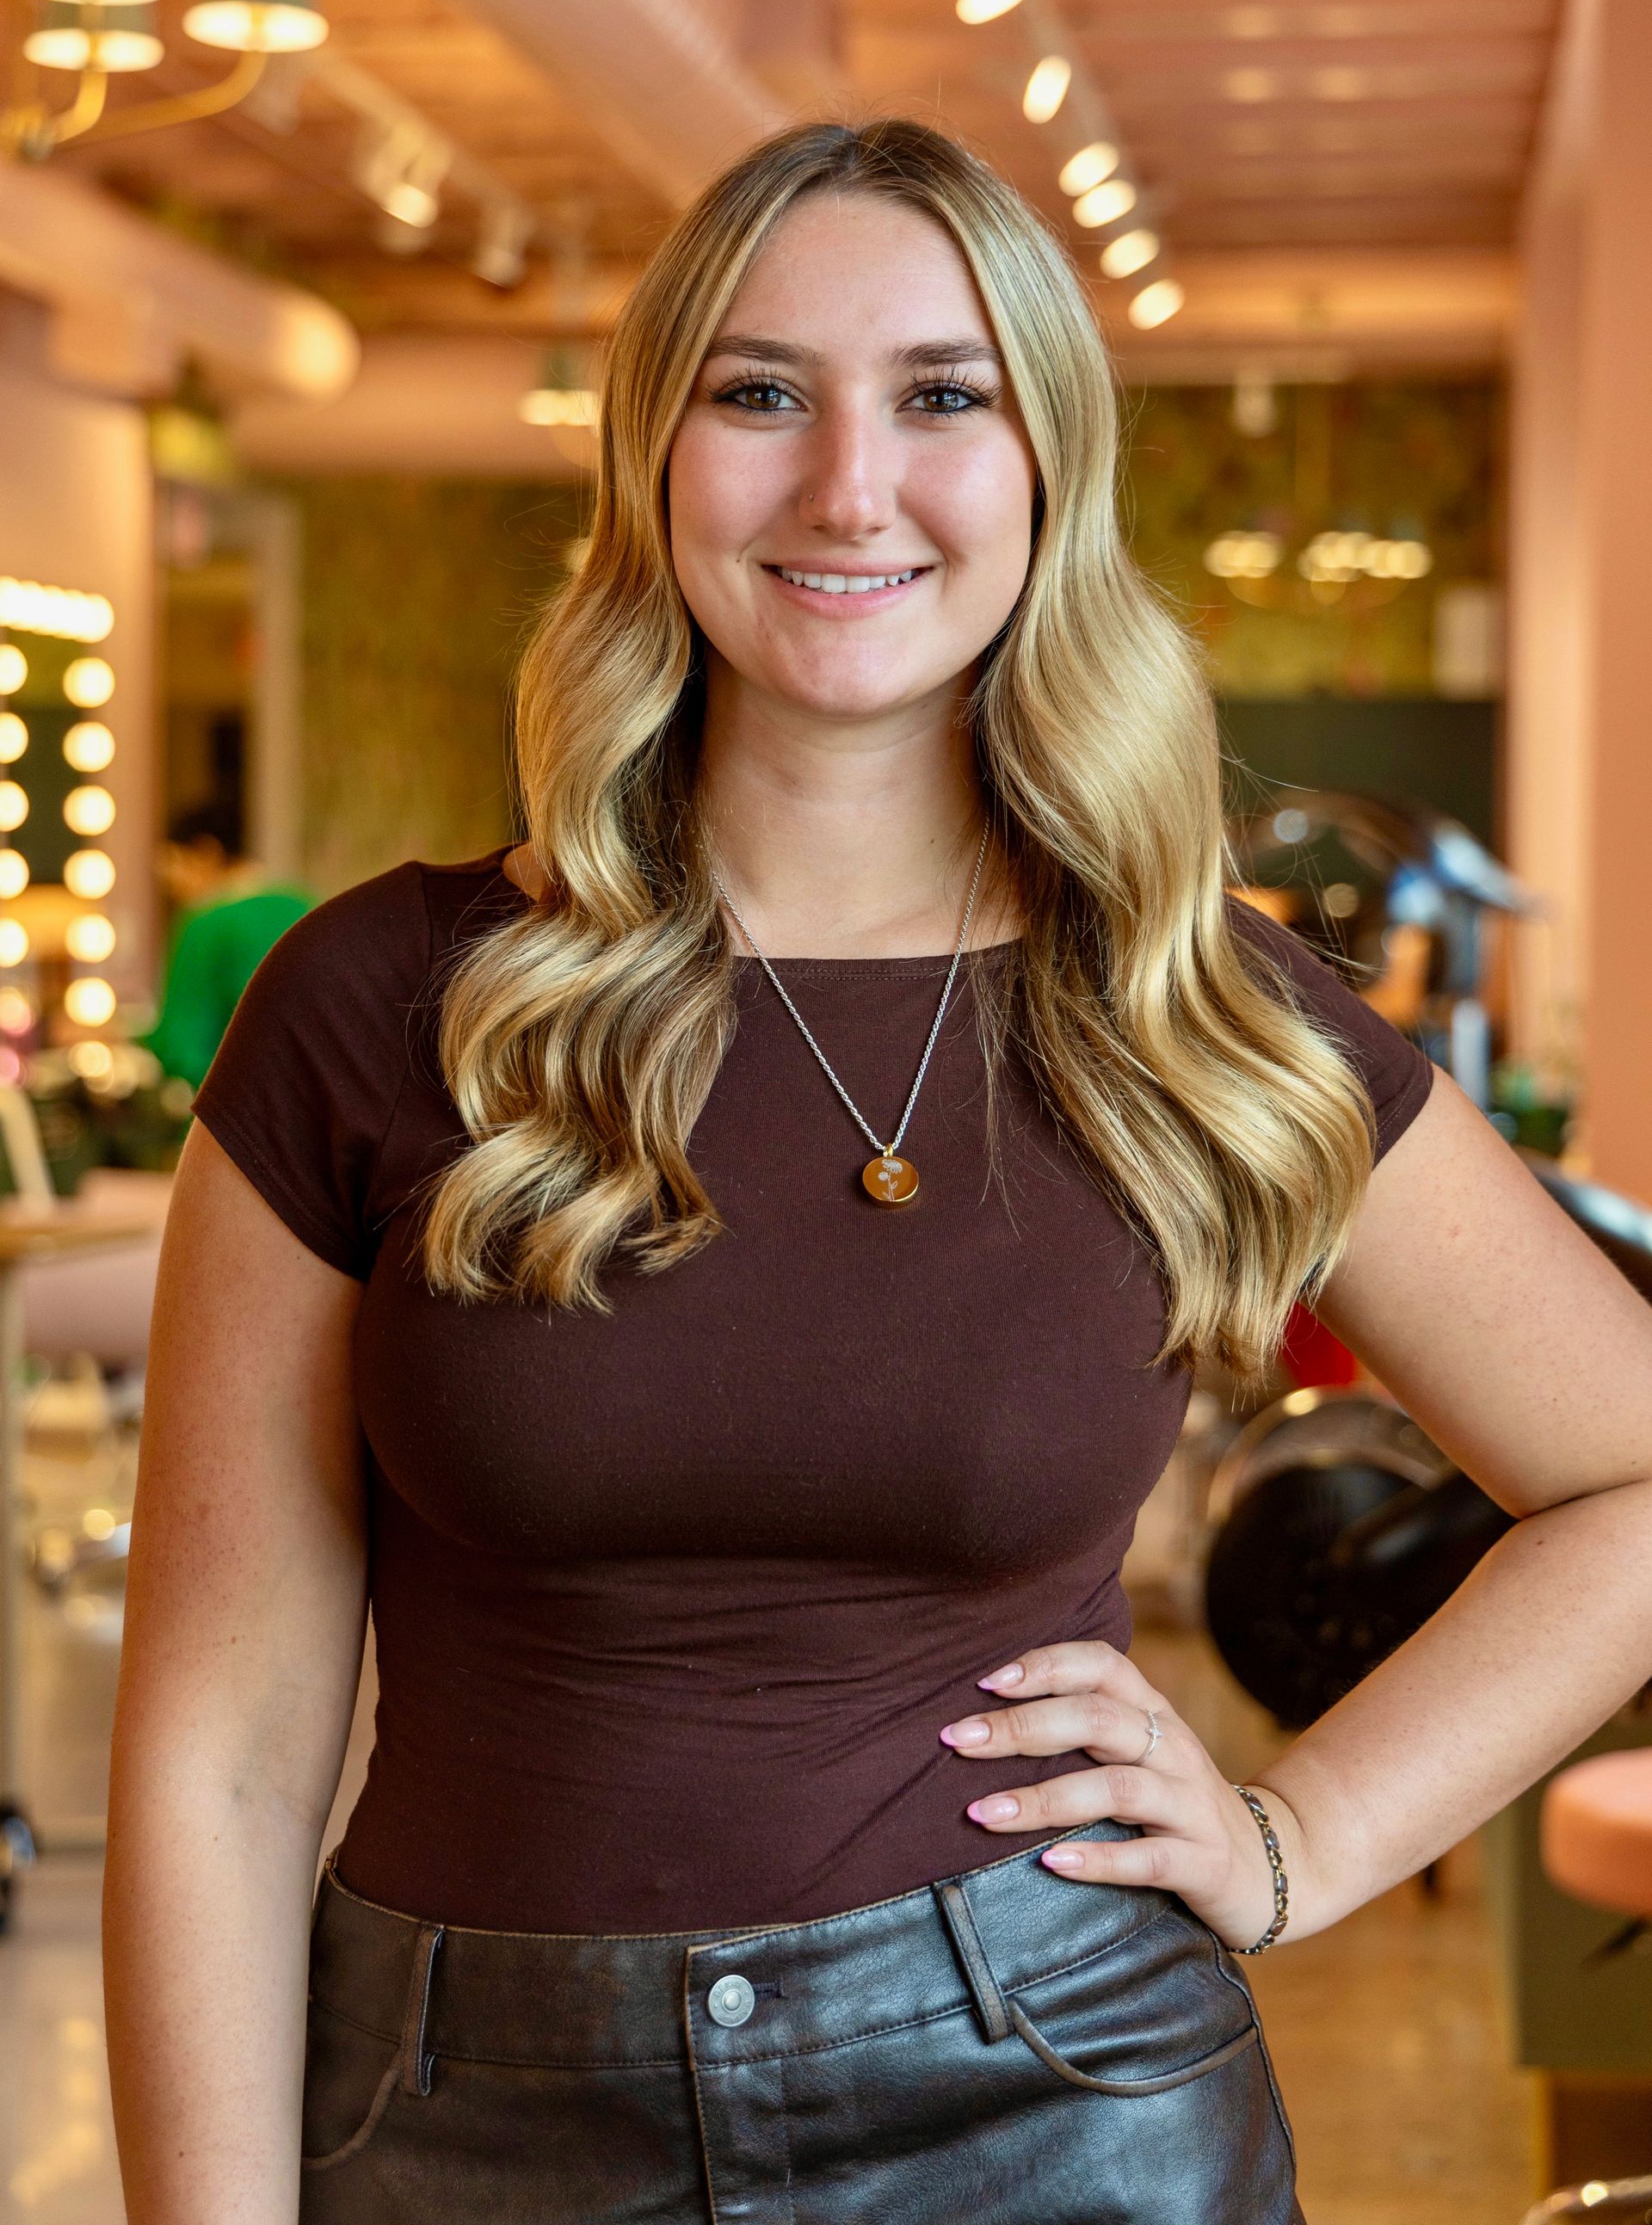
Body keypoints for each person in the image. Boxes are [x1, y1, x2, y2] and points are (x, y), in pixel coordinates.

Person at [103, 120, 1652, 2223]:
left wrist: (1300, 1839)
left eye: (944, 396)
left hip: (1051, 2099)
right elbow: (214, 1751)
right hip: (466, 2121)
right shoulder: (385, 1001)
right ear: (654, 458)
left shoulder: (1191, 1012)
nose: (851, 485)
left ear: (1045, 471)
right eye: (760, 393)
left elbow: (1627, 1475)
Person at [142, 805, 314, 1091]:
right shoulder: (305, 904)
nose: (173, 887)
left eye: (175, 865)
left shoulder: (205, 923)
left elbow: (181, 1047)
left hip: (237, 1113)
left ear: (206, 852)